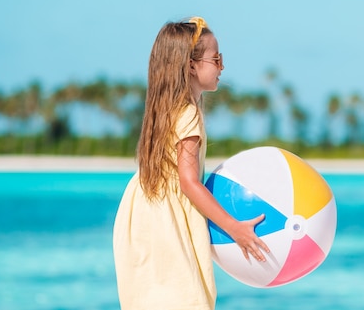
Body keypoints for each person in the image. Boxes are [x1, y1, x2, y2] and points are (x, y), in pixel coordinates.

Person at [113, 17, 270, 310]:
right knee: (185, 298)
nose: (222, 66)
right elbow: (188, 183)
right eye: (216, 58)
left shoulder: (166, 108)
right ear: (191, 65)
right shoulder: (188, 114)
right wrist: (234, 228)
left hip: (143, 214)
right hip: (166, 222)